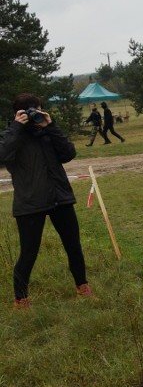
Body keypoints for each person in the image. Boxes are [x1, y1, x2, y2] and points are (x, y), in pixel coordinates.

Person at [0, 94, 92, 308]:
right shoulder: (11, 136)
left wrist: (52, 126)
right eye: (30, 111)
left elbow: (69, 153)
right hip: (30, 202)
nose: (35, 114)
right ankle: (21, 299)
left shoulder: (47, 132)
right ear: (18, 113)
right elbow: (2, 155)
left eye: (38, 109)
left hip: (60, 197)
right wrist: (16, 127)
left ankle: (82, 286)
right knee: (29, 251)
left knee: (73, 245)